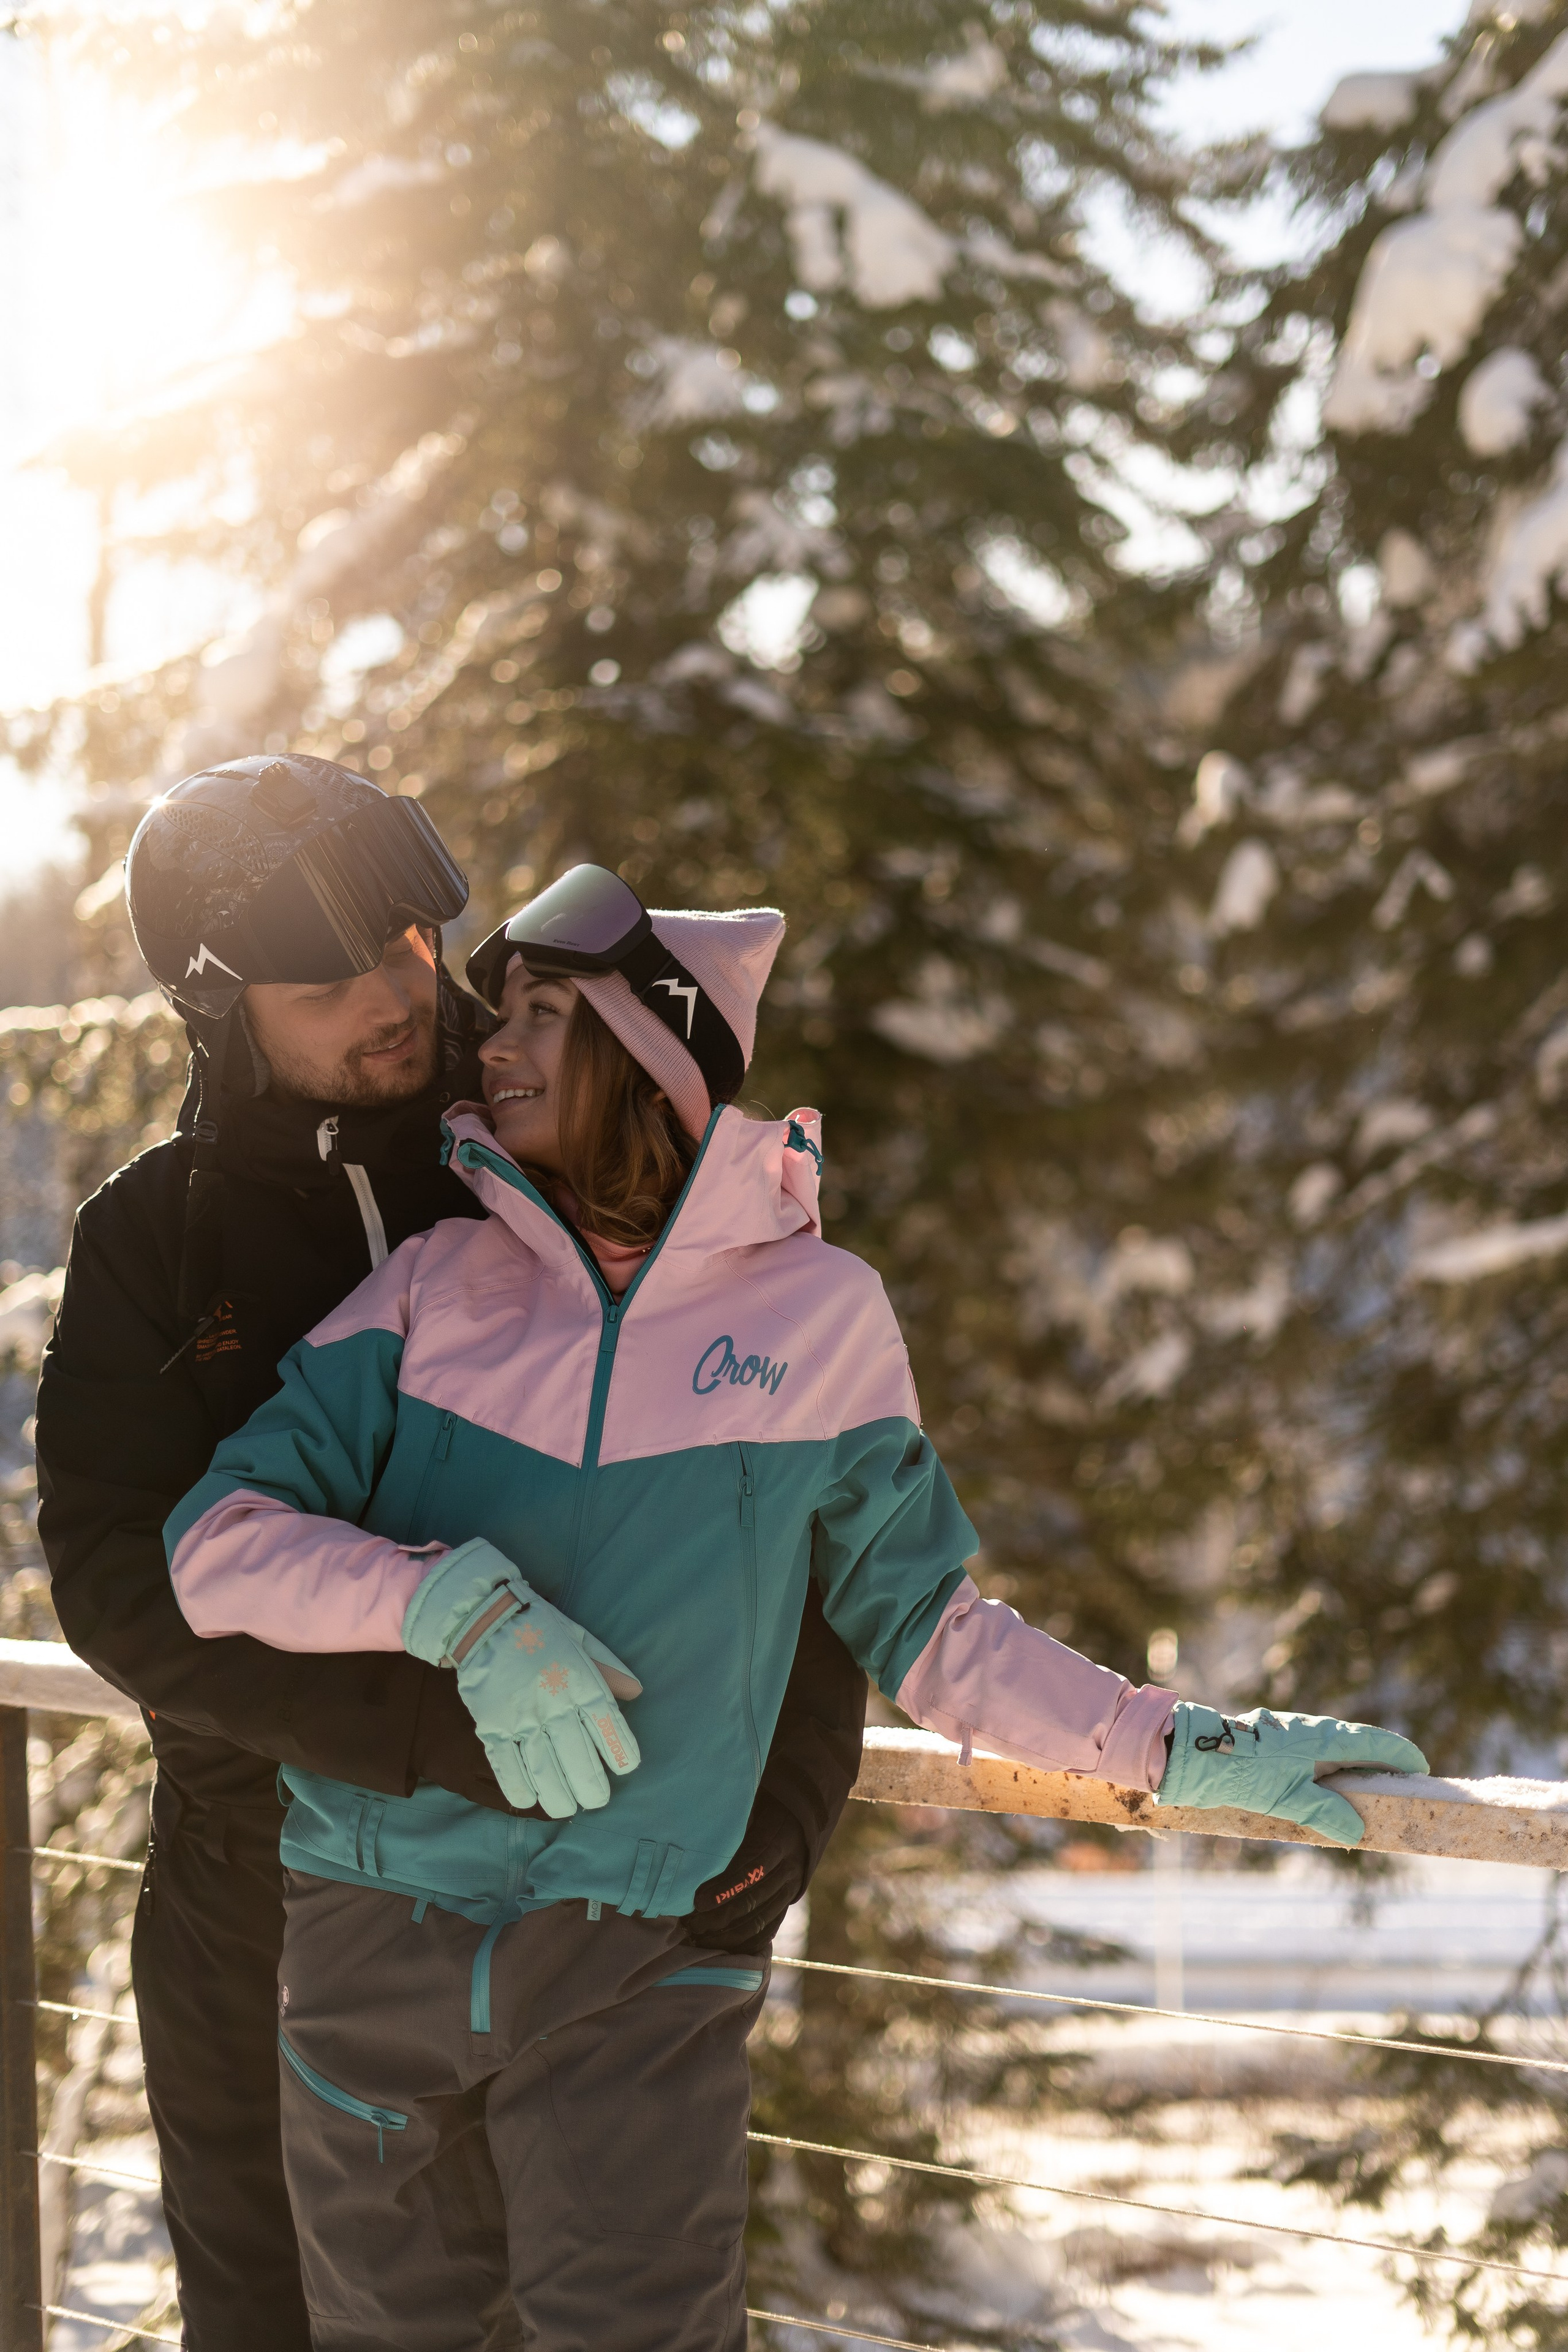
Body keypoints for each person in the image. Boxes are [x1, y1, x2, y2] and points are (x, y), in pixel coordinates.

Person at [162, 861, 1429, 2352]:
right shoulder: (437, 1287)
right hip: (372, 1922)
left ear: (646, 1056)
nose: (484, 1042)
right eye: (497, 1010)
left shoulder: (817, 1323)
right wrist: (455, 1609)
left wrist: (1169, 1744)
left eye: (540, 1015)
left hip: (632, 1958)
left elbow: (929, 1635)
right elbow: (217, 1544)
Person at [32, 766, 867, 2351]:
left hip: (587, 1889)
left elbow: (793, 1495)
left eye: (412, 941)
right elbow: (120, 1583)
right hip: (260, 1896)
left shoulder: (560, 1149)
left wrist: (792, 1803)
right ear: (222, 1011)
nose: (398, 996)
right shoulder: (162, 1239)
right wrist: (432, 1732)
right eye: (330, 980)